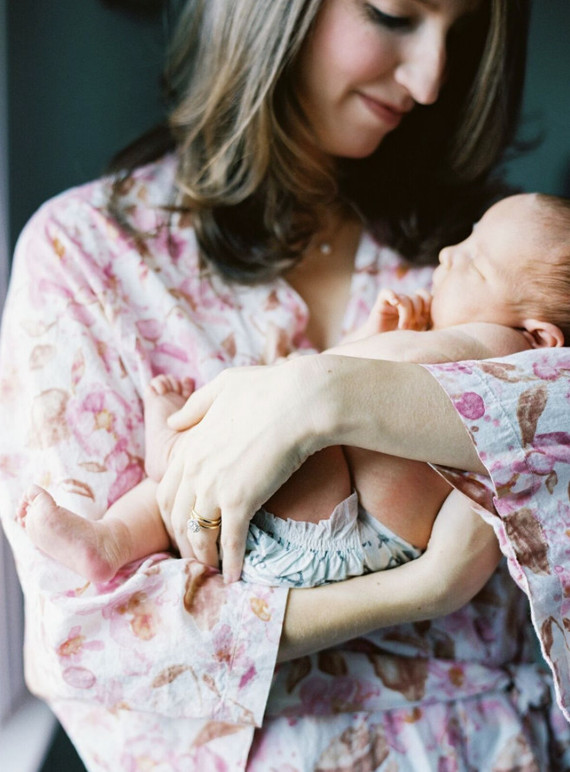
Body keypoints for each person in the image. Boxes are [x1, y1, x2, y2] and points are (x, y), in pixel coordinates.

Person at [3, 0, 570, 769]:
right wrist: (423, 590)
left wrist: (326, 396)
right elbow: (91, 641)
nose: (434, 81)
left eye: (460, 33)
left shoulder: (500, 252)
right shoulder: (89, 258)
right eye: (394, 13)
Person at [19, 192, 569, 592]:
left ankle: (145, 489)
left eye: (473, 262)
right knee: (256, 442)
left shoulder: (504, 352)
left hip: (336, 529)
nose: (448, 254)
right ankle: (111, 539)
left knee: (294, 436)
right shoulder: (463, 342)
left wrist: (377, 346)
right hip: (323, 528)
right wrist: (371, 340)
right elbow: (351, 384)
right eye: (464, 238)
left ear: (540, 337)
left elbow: (344, 389)